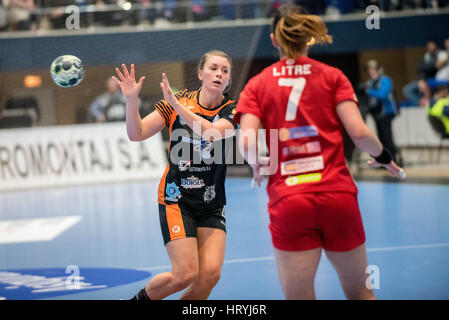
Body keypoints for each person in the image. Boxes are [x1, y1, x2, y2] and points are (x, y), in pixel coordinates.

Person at [235, 4, 405, 300]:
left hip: (290, 200)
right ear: (308, 38)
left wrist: (256, 165)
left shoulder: (257, 84)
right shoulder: (332, 76)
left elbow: (247, 141)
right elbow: (360, 132)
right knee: (362, 294)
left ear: (274, 40)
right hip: (337, 196)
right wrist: (385, 158)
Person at [112, 50, 238, 300]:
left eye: (224, 70)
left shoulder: (232, 108)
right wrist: (131, 100)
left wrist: (177, 106)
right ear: (200, 74)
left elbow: (212, 133)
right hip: (176, 199)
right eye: (213, 68)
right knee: (184, 274)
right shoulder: (176, 101)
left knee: (210, 275)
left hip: (212, 203)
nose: (219, 74)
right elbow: (136, 134)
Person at [364, 59, 401, 165]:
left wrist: (369, 91)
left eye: (373, 68)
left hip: (386, 112)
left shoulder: (385, 80)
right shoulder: (370, 82)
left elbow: (382, 94)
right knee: (381, 139)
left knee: (387, 137)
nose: (371, 71)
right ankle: (385, 161)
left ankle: (394, 160)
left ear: (378, 69)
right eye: (369, 69)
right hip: (376, 113)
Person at [402, 40, 440, 107]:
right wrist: (422, 80)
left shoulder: (439, 54)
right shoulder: (426, 56)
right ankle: (420, 103)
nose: (430, 47)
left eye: (431, 46)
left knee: (422, 89)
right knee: (406, 89)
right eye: (428, 46)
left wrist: (424, 81)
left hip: (433, 81)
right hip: (423, 80)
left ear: (435, 46)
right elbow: (420, 68)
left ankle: (428, 103)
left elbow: (433, 67)